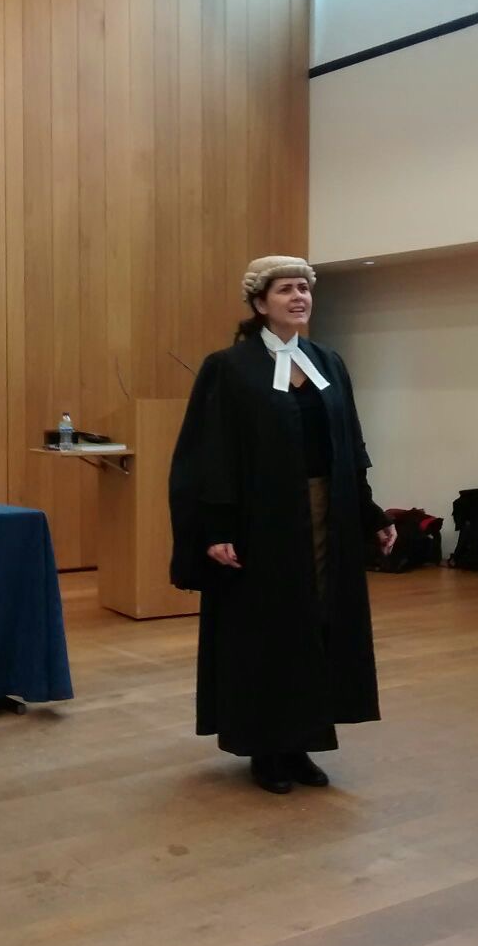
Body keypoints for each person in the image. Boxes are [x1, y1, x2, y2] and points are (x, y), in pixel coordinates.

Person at [169, 255, 396, 794]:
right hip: (260, 521)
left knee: (315, 623)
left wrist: (370, 512)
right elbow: (210, 453)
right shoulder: (229, 367)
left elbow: (350, 445)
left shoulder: (327, 361)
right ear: (259, 303)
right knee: (266, 628)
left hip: (323, 515)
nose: (299, 297)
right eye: (285, 290)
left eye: (304, 288)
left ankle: (300, 742)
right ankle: (265, 747)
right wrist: (217, 527)